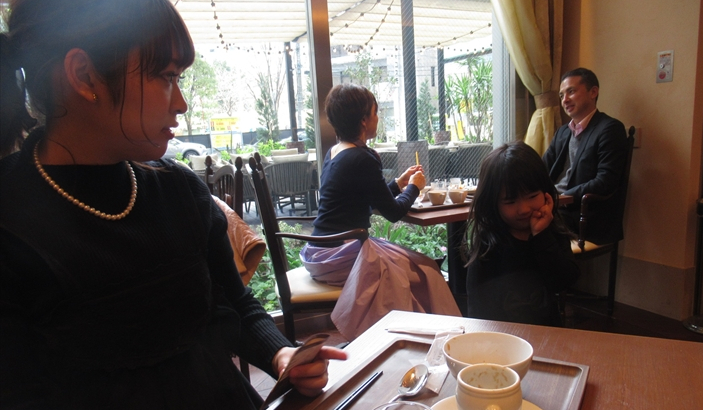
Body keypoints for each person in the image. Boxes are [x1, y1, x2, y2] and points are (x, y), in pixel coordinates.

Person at [0, 1, 345, 408]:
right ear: (84, 74)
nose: (181, 102)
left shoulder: (179, 190)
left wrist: (281, 354)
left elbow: (233, 303)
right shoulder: (12, 216)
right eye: (166, 77)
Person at [300, 84, 461, 340]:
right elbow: (393, 212)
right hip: (341, 256)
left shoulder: (335, 152)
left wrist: (398, 183)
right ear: (364, 120)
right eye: (375, 112)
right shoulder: (363, 158)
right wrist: (415, 187)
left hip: (321, 252)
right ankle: (423, 337)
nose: (378, 118)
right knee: (427, 271)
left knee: (419, 267)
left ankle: (412, 335)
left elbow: (366, 200)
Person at [463, 141, 580, 326]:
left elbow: (565, 280)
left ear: (546, 193)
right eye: (510, 202)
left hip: (547, 332)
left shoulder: (552, 231)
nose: (524, 209)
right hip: (502, 336)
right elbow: (477, 308)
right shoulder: (488, 244)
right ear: (493, 204)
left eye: (532, 196)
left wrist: (541, 235)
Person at [542, 67, 630, 245]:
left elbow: (605, 181)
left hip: (583, 213)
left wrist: (563, 198)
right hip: (555, 205)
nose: (565, 100)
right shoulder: (563, 132)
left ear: (593, 92)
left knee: (527, 223)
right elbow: (541, 169)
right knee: (509, 214)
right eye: (561, 95)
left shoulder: (609, 129)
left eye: (571, 92)